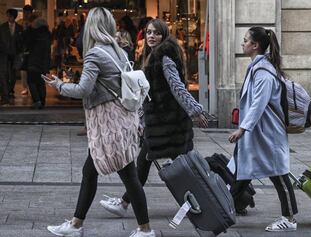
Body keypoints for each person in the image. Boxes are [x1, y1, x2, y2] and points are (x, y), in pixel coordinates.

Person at [44, 7, 155, 237]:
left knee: (129, 177)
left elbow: (83, 89)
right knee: (91, 171)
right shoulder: (119, 51)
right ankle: (76, 225)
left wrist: (59, 85)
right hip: (123, 120)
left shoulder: (95, 54)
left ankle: (145, 230)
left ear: (91, 27)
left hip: (108, 126)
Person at [99, 18, 208, 217]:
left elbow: (177, 87)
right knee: (170, 165)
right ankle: (202, 199)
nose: (151, 36)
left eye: (156, 33)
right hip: (163, 124)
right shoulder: (153, 56)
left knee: (148, 164)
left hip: (167, 125)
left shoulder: (163, 57)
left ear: (163, 35)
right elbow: (147, 96)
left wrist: (195, 109)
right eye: (148, 32)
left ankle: (124, 204)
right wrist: (141, 120)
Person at [228, 27, 298, 232]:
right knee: (243, 167)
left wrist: (242, 128)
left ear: (255, 45)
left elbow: (259, 103)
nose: (242, 43)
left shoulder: (264, 71)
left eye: (245, 40)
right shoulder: (258, 67)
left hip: (268, 132)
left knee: (278, 172)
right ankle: (225, 207)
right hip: (260, 131)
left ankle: (290, 218)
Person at [26, 16, 51, 109]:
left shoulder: (34, 34)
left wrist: (29, 28)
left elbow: (28, 42)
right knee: (41, 82)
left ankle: (37, 101)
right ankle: (42, 101)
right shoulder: (47, 34)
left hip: (34, 61)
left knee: (31, 81)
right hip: (44, 62)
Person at [0, 8, 23, 105]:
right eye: (8, 15)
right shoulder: (2, 27)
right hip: (3, 54)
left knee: (13, 75)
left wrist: (20, 51)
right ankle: (5, 94)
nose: (8, 17)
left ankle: (9, 90)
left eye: (9, 15)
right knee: (3, 74)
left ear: (14, 16)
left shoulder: (19, 28)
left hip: (15, 54)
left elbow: (21, 42)